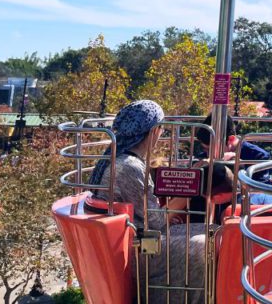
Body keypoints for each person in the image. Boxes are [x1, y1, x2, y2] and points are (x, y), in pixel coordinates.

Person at [89, 100, 208, 304]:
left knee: (211, 230)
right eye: (161, 128)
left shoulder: (121, 160)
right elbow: (157, 222)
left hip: (132, 240)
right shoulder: (129, 167)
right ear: (153, 131)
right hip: (137, 249)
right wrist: (193, 185)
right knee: (205, 243)